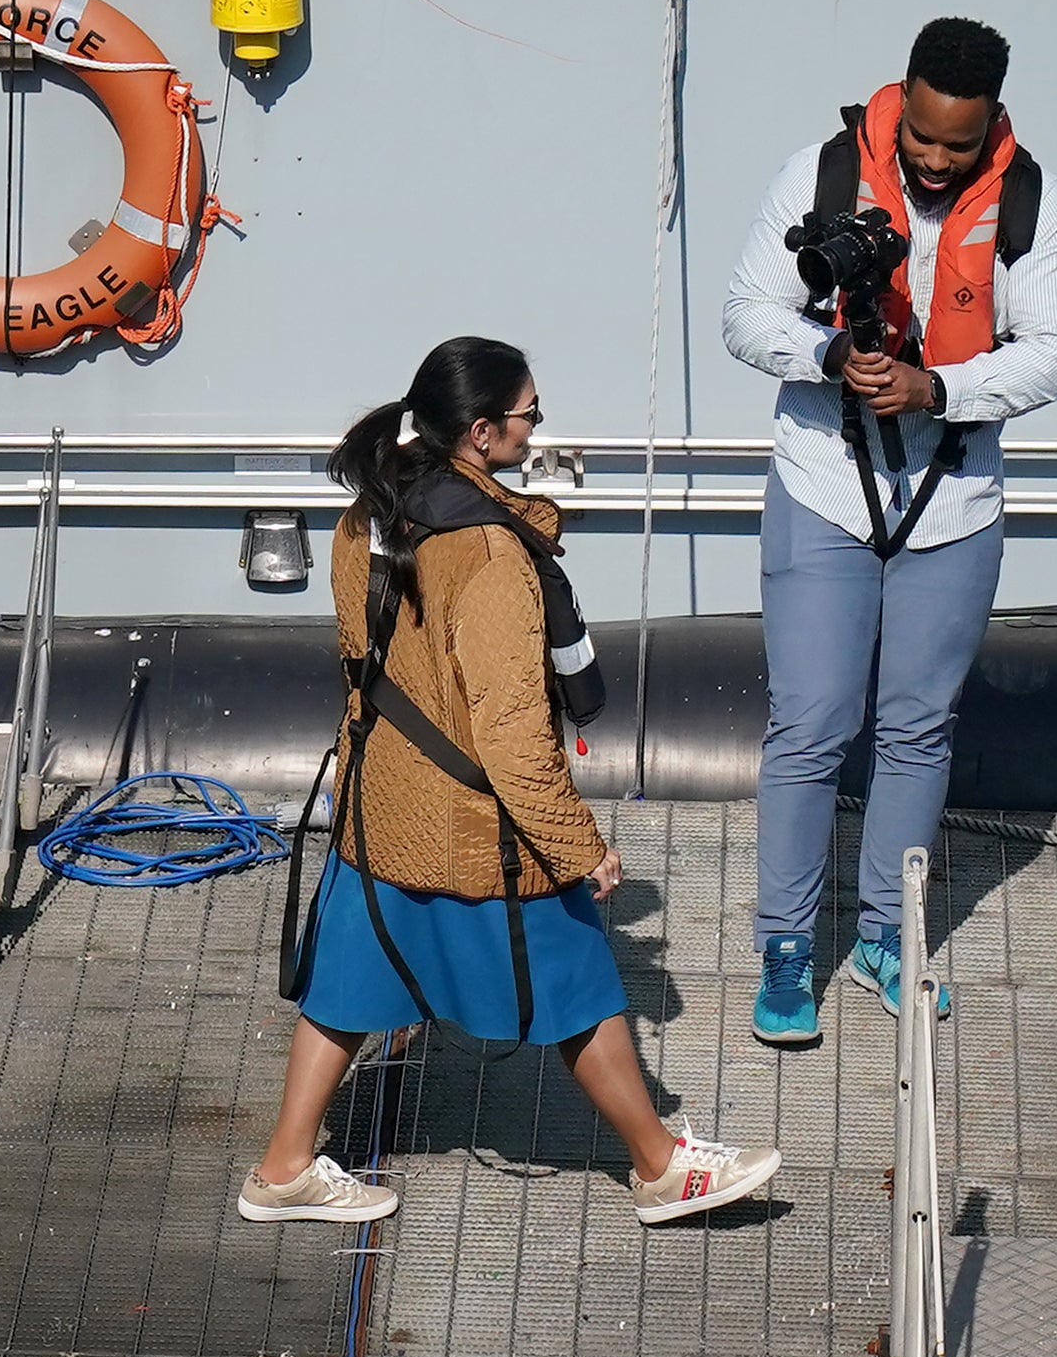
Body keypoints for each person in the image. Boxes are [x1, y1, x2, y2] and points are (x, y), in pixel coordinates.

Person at [240, 339, 782, 1228]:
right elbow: (510, 731)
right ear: (482, 430)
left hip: (379, 805)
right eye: (530, 412)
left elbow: (362, 663)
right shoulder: (491, 555)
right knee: (576, 982)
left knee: (346, 983)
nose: (537, 427)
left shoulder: (365, 515)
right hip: (471, 826)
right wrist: (579, 846)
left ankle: (285, 1166)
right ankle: (658, 1165)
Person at [718, 18, 1057, 1042]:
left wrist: (940, 386)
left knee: (917, 728)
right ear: (903, 100)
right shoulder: (821, 173)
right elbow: (747, 311)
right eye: (919, 138)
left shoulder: (1033, 205)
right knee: (811, 724)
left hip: (952, 501)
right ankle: (784, 950)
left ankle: (889, 930)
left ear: (989, 128)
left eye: (954, 147)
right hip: (823, 486)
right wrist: (832, 357)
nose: (931, 160)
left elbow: (1055, 351)